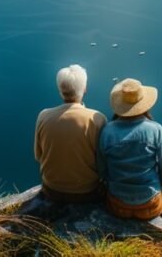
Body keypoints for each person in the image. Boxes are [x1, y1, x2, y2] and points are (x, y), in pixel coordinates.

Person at [97, 78, 162, 220]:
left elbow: (101, 168)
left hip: (117, 205)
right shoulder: (155, 129)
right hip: (150, 206)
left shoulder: (107, 131)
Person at [34, 64, 107, 203]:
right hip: (87, 191)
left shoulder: (43, 116)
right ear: (84, 89)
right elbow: (102, 163)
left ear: (60, 90)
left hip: (51, 190)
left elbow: (38, 156)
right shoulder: (97, 118)